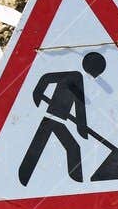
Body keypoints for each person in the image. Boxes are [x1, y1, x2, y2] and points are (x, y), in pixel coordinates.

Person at [18, 52, 109, 186]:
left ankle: (77, 181)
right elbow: (46, 79)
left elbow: (79, 107)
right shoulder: (74, 76)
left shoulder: (79, 80)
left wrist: (81, 128)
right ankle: (24, 178)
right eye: (97, 72)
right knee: (67, 147)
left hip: (59, 120)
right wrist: (38, 94)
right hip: (51, 118)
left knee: (65, 146)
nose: (96, 77)